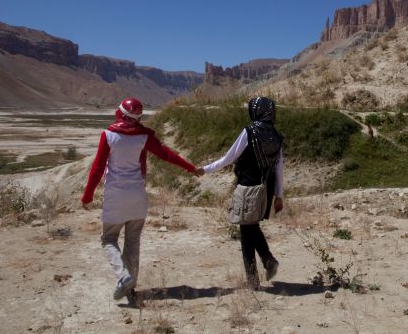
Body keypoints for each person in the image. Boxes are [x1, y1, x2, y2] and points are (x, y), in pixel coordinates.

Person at [80, 97, 202, 302]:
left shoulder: (109, 135)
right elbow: (167, 154)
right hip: (138, 195)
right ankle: (131, 288)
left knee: (109, 239)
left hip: (115, 197)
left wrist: (87, 196)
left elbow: (97, 169)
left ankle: (123, 276)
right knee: (133, 242)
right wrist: (191, 168)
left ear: (120, 113)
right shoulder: (144, 136)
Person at [201, 96, 284, 289]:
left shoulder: (250, 132)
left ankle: (266, 262)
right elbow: (279, 168)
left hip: (248, 188)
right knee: (248, 229)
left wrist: (205, 169)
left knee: (247, 228)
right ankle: (253, 278)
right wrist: (278, 195)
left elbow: (228, 158)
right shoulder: (277, 136)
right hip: (267, 189)